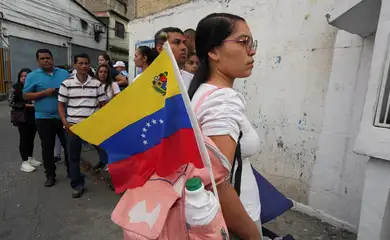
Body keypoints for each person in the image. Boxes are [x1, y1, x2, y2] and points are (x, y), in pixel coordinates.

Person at [188, 13, 261, 240]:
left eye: (252, 43)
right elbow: (219, 185)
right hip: (234, 222)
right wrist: (253, 236)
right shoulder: (222, 100)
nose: (252, 51)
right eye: (243, 42)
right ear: (213, 51)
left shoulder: (200, 92)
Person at [58, 53, 106, 198]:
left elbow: (103, 105)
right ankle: (77, 184)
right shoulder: (66, 83)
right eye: (81, 63)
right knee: (73, 157)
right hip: (74, 127)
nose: (84, 66)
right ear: (75, 65)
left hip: (93, 127)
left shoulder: (97, 84)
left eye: (86, 63)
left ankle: (115, 178)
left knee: (106, 152)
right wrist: (65, 122)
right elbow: (61, 105)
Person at [23, 49, 69, 187]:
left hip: (64, 117)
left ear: (52, 59)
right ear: (38, 61)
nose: (46, 60)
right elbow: (26, 96)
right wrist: (44, 93)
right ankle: (50, 174)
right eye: (42, 59)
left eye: (48, 58)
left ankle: (72, 172)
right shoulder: (32, 76)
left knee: (69, 146)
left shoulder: (64, 73)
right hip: (43, 118)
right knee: (47, 147)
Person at [9, 68, 41, 172]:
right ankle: (24, 162)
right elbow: (11, 102)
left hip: (34, 116)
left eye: (26, 76)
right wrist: (26, 105)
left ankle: (30, 158)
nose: (24, 78)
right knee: (24, 138)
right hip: (21, 116)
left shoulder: (34, 87)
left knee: (31, 138)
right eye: (22, 76)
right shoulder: (15, 88)